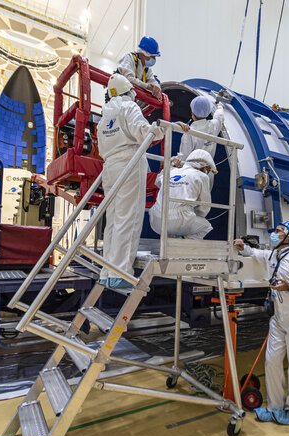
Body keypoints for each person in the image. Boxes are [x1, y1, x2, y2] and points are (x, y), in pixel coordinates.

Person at [233, 221, 289, 425]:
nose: (273, 234)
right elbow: (256, 254)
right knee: (272, 361)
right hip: (279, 318)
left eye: (278, 231)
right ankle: (274, 407)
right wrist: (243, 247)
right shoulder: (273, 255)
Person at [96, 74, 164, 289]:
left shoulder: (105, 114)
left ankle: (107, 271)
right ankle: (121, 273)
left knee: (114, 219)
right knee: (128, 217)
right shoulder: (129, 106)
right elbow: (144, 133)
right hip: (129, 164)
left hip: (110, 167)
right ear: (130, 92)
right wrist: (162, 129)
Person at [149, 149, 214, 240]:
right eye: (208, 169)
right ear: (204, 166)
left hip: (156, 219)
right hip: (178, 220)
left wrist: (172, 166)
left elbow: (158, 182)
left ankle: (171, 243)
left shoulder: (172, 171)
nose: (208, 172)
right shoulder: (202, 176)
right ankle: (183, 246)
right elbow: (204, 207)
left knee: (175, 227)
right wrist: (195, 215)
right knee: (205, 227)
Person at [174, 95, 225, 185]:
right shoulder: (214, 126)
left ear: (192, 113)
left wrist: (174, 164)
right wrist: (219, 106)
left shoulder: (189, 132)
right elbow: (219, 116)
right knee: (205, 198)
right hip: (208, 174)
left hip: (192, 175)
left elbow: (183, 158)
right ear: (209, 112)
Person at [116, 36, 162, 101]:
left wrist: (157, 87)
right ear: (144, 53)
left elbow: (152, 80)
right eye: (153, 57)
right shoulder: (129, 58)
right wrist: (147, 86)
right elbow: (128, 79)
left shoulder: (147, 69)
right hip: (118, 98)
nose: (154, 59)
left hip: (131, 101)